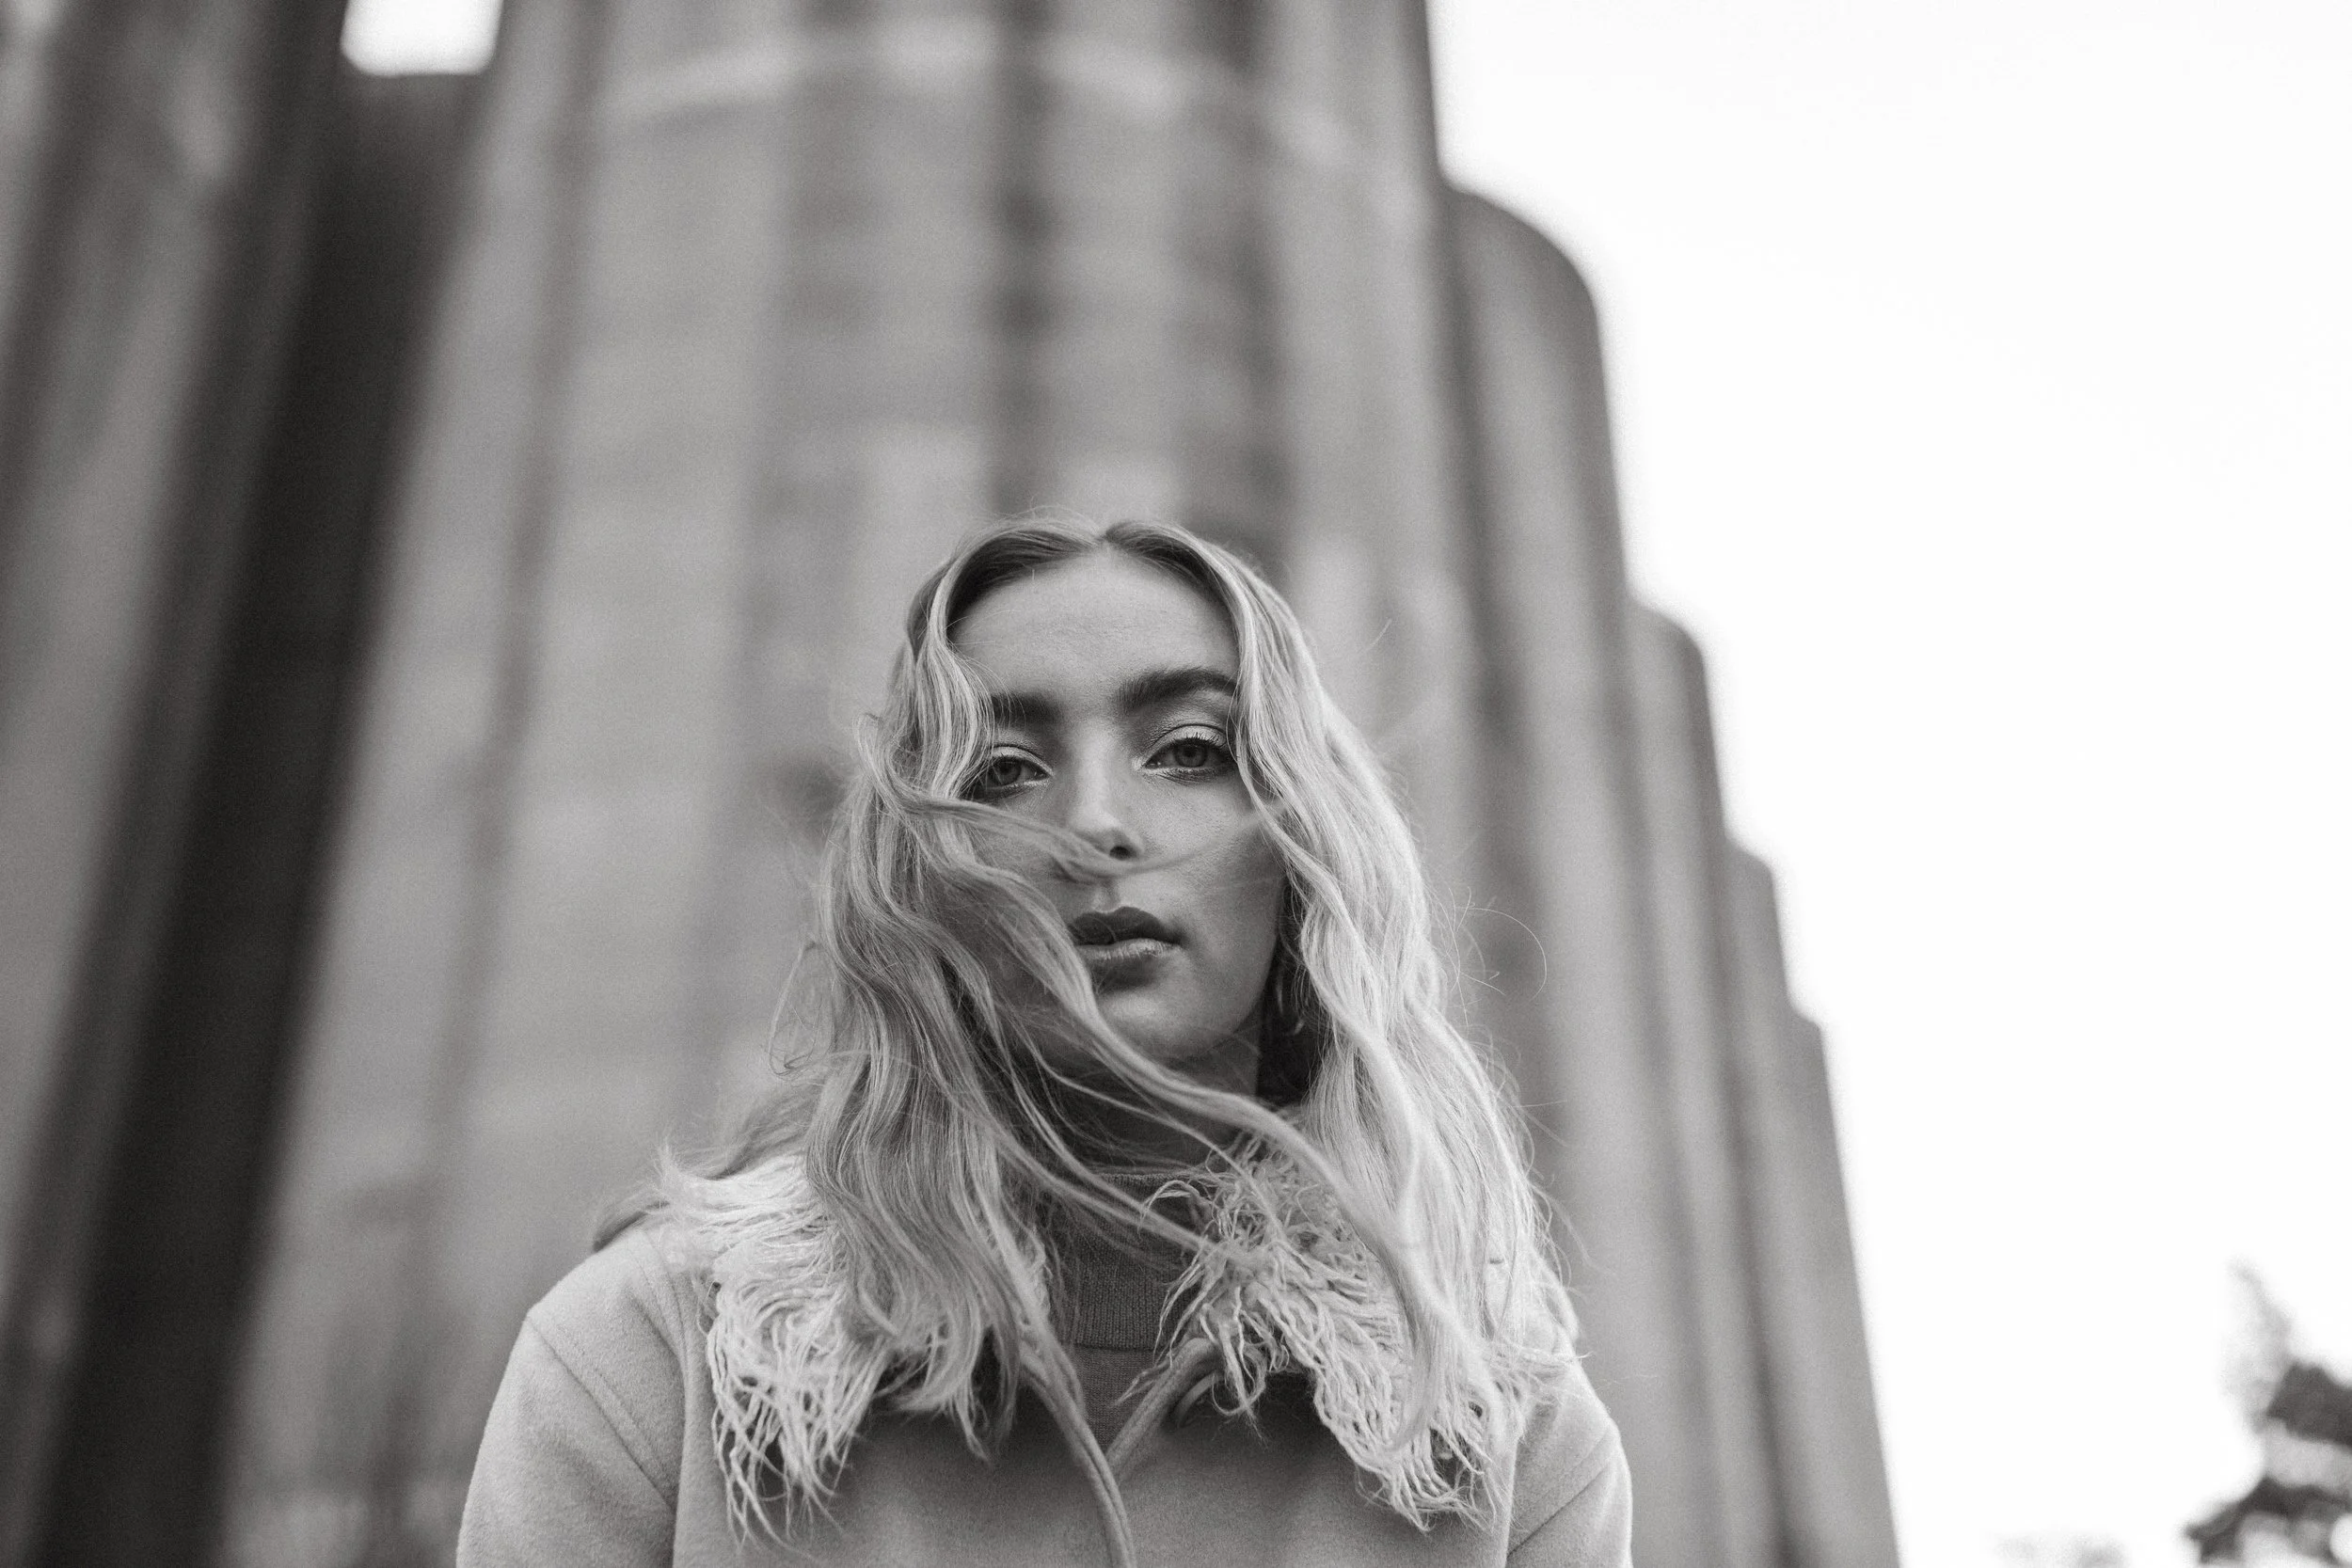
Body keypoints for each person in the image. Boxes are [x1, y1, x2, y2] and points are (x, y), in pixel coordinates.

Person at [455, 517, 1632, 1567]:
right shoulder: (650, 1352)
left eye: (1189, 749)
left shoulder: (1497, 1422)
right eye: (1004, 770)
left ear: (1300, 835)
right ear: (917, 871)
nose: (1095, 824)